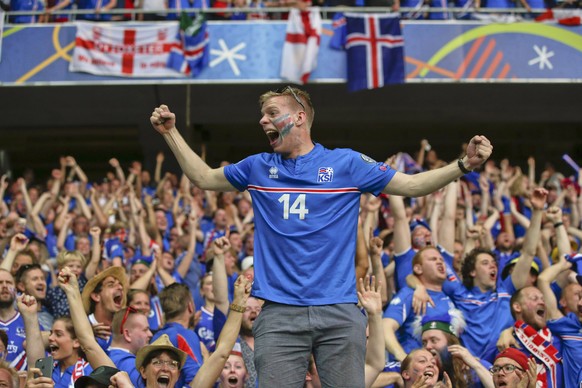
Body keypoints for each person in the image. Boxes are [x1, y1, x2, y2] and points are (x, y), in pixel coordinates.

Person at [150, 87, 493, 386]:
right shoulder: (257, 166)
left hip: (339, 313)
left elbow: (413, 185)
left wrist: (463, 164)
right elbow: (204, 177)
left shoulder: (346, 163)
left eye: (272, 113)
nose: (262, 121)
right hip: (280, 314)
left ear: (299, 118)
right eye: (262, 115)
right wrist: (171, 133)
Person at [81, 266, 128, 351]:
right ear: (96, 296)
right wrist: (86, 335)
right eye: (111, 285)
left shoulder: (125, 330)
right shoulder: (79, 327)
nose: (120, 288)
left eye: (120, 284)